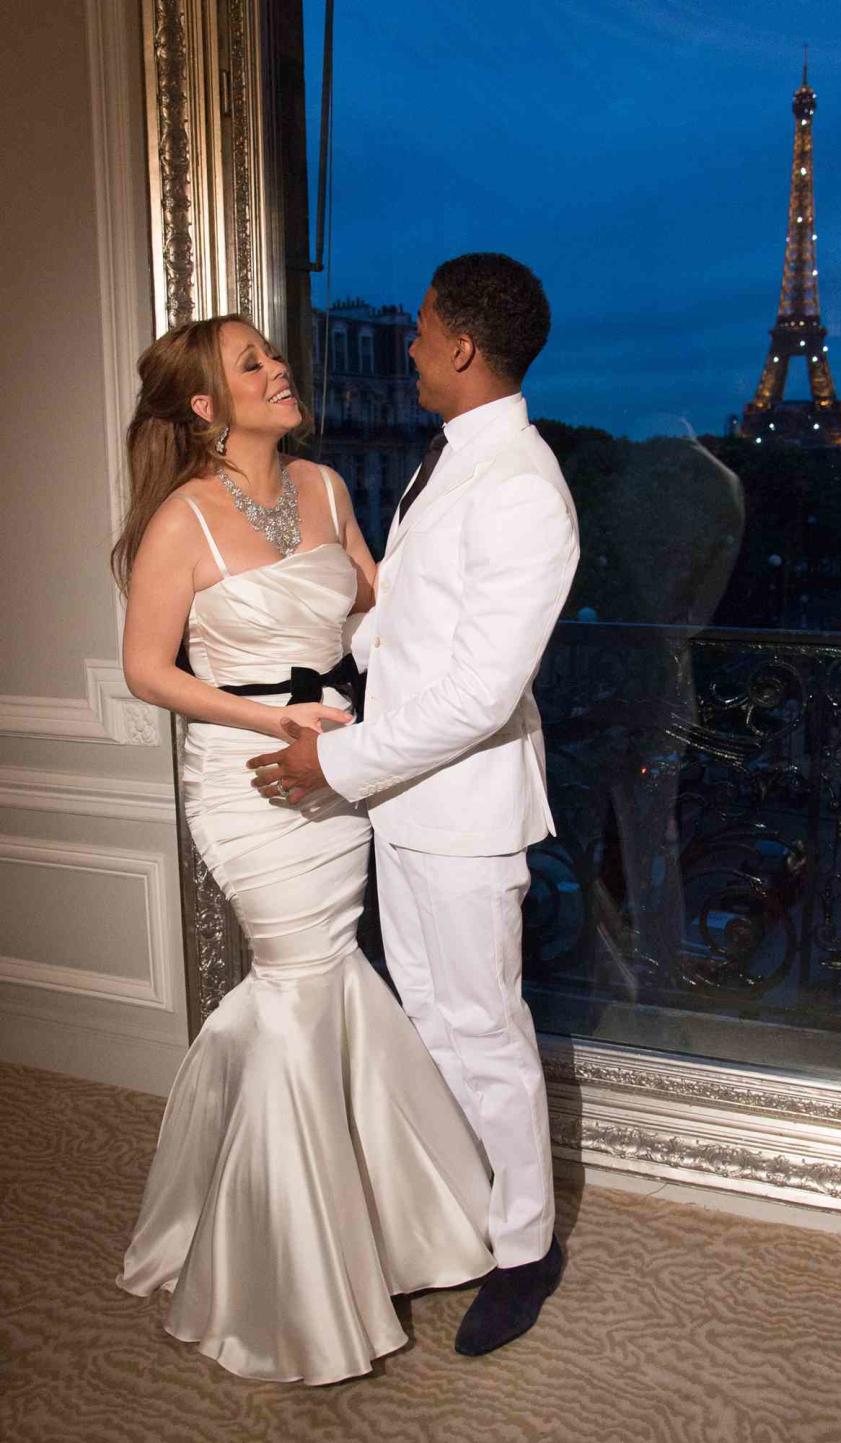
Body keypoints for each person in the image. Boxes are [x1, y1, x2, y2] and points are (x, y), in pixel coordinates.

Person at [113, 314, 494, 1386]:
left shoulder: (325, 489)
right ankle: (282, 1271)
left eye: (273, 355)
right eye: (251, 364)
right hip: (246, 780)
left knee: (326, 983)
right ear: (204, 405)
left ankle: (366, 1222)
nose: (278, 370)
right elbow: (149, 670)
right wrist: (268, 724)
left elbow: (375, 610)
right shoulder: (180, 518)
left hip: (338, 773)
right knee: (296, 982)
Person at [249, 253, 581, 1356]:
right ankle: (461, 1221)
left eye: (422, 328)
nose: (408, 345)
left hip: (465, 811)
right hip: (407, 799)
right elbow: (408, 628)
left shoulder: (524, 486)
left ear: (462, 349)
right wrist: (329, 664)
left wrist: (334, 770)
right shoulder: (450, 462)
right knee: (433, 1026)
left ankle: (527, 1248)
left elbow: (481, 695)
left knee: (482, 1033)